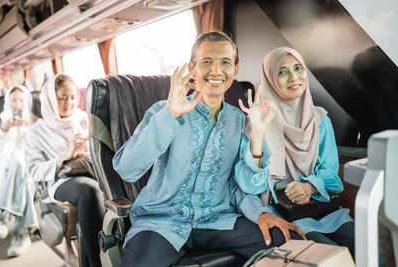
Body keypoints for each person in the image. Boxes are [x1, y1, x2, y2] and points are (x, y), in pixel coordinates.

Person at [113, 31, 306, 267]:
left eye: (225, 62)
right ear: (193, 68)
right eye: (207, 62)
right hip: (161, 221)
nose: (216, 71)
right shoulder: (164, 110)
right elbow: (126, 169)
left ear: (235, 70)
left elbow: (240, 186)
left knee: (293, 244)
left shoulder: (240, 121)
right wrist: (170, 115)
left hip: (217, 220)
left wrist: (261, 213)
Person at [235, 47, 355, 258]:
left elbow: (332, 177)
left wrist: (309, 186)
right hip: (280, 214)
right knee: (330, 258)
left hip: (322, 209)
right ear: (271, 78)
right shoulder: (257, 121)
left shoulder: (320, 120)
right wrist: (258, 134)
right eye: (282, 71)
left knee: (369, 249)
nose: (293, 77)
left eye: (298, 68)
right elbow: (247, 186)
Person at [25, 74, 105, 267]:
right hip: (59, 180)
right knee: (90, 191)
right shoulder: (36, 131)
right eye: (62, 98)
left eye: (72, 97)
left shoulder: (84, 119)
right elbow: (34, 170)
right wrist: (63, 157)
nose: (69, 102)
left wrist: (89, 146)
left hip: (92, 170)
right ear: (52, 99)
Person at [0, 85, 39, 257]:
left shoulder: (36, 120)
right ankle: (21, 234)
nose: (18, 104)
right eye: (14, 100)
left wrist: (30, 126)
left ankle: (3, 215)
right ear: (8, 102)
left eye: (22, 100)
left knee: (22, 167)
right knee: (17, 167)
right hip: (7, 166)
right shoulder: (4, 120)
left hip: (29, 163)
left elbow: (38, 147)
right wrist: (4, 130)